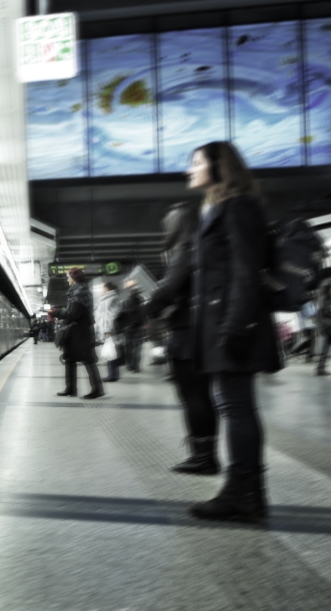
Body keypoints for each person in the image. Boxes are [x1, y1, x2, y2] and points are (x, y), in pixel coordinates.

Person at [185, 141, 281, 521]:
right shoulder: (217, 208)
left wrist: (236, 326)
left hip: (233, 324)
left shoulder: (238, 206)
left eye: (196, 163)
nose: (189, 170)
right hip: (222, 323)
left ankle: (244, 492)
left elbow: (246, 271)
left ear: (218, 166)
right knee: (233, 406)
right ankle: (245, 490)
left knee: (237, 407)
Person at [146, 202, 219, 475]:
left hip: (187, 335)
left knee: (193, 397)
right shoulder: (201, 250)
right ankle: (207, 453)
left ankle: (202, 457)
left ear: (175, 226)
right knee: (203, 396)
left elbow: (167, 291)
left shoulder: (184, 251)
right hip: (201, 332)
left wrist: (149, 307)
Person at [51, 267, 105, 399]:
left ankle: (97, 390)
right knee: (70, 359)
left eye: (68, 277)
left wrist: (56, 313)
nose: (67, 279)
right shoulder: (79, 290)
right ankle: (70, 389)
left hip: (80, 332)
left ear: (74, 278)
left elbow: (73, 314)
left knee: (87, 360)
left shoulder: (79, 292)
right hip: (78, 331)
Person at [94, 281, 123, 382]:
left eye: (103, 288)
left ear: (107, 288)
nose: (102, 290)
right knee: (110, 352)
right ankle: (113, 374)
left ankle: (112, 375)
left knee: (111, 352)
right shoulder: (105, 299)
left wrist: (108, 329)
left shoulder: (112, 298)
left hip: (110, 330)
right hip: (106, 329)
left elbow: (112, 315)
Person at [120, 279, 144, 372]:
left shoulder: (125, 302)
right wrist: (143, 323)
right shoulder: (140, 302)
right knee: (137, 347)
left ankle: (129, 365)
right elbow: (143, 314)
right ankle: (136, 366)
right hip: (138, 327)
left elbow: (121, 315)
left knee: (128, 347)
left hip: (127, 328)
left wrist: (122, 326)